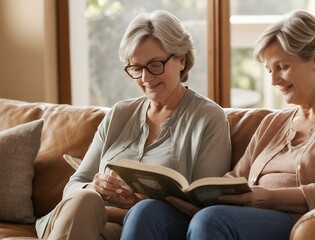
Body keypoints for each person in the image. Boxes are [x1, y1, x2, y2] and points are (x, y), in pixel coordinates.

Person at [120, 10, 315, 240]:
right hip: (240, 214)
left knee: (210, 221)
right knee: (148, 211)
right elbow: (236, 177)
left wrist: (268, 197)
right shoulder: (274, 122)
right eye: (270, 70)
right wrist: (198, 197)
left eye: (282, 67)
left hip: (294, 220)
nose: (274, 80)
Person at [35, 10, 231, 240]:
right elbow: (74, 186)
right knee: (85, 198)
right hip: (79, 217)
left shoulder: (208, 118)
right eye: (136, 68)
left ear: (181, 59)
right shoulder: (120, 114)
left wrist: (137, 202)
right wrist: (94, 187)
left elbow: (203, 209)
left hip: (130, 229)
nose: (146, 78)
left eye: (155, 64)